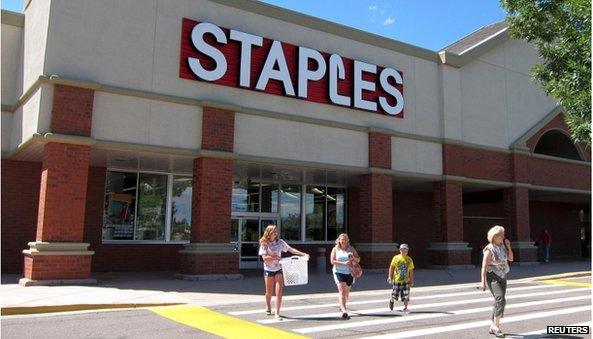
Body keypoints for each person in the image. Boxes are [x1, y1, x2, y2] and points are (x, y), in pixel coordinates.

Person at [258, 225, 308, 320]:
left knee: (279, 291)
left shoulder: (280, 242)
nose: (276, 233)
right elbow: (264, 258)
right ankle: (268, 305)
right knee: (269, 292)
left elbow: (291, 249)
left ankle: (277, 313)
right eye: (274, 231)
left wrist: (303, 254)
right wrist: (274, 257)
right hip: (269, 269)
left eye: (276, 231)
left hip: (279, 269)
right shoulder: (265, 243)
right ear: (269, 233)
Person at [479, 225, 514, 338]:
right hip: (492, 276)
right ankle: (496, 327)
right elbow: (484, 265)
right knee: (500, 299)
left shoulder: (502, 246)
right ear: (494, 236)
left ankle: (492, 326)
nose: (503, 237)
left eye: (503, 234)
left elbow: (511, 259)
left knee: (498, 301)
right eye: (501, 235)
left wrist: (508, 246)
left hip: (503, 276)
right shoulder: (489, 249)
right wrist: (482, 282)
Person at [330, 233, 360, 320]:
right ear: (339, 240)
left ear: (348, 241)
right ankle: (344, 311)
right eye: (342, 239)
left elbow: (358, 259)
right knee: (342, 291)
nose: (343, 241)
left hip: (350, 272)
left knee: (346, 293)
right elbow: (332, 261)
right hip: (338, 272)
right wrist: (343, 263)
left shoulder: (351, 249)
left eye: (345, 239)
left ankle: (342, 305)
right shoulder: (335, 249)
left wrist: (353, 257)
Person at [387, 243, 414, 314]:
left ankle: (405, 308)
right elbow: (391, 267)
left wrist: (411, 281)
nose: (405, 251)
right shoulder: (396, 258)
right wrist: (390, 276)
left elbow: (411, 271)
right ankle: (392, 300)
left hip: (406, 281)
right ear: (400, 250)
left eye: (406, 249)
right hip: (397, 280)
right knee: (395, 294)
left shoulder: (409, 260)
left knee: (406, 295)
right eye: (403, 249)